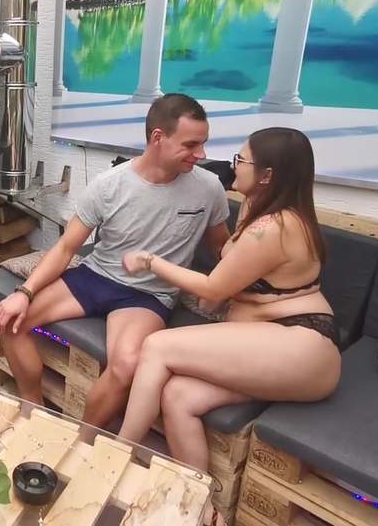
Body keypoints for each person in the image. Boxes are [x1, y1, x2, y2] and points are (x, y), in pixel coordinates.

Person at [118, 127, 341, 526]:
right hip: (280, 346)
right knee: (179, 396)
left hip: (303, 345)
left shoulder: (274, 228)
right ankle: (204, 508)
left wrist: (151, 261)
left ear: (268, 175)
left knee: (157, 346)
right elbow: (219, 292)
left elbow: (212, 288)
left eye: (241, 160)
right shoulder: (265, 216)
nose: (233, 165)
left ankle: (117, 456)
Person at [0, 93, 231, 429]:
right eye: (191, 144)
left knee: (127, 365)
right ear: (158, 137)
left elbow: (223, 248)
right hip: (96, 276)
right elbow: (66, 248)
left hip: (147, 295)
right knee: (10, 320)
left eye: (203, 143)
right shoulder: (110, 185)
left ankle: (83, 440)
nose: (201, 154)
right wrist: (24, 292)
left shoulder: (209, 189)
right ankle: (34, 408)